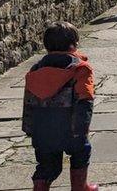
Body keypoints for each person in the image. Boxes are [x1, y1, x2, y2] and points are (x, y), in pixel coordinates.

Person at [23, 22, 97, 191]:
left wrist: (30, 129)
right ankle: (81, 187)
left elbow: (28, 103)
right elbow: (85, 100)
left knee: (48, 165)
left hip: (42, 129)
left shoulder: (35, 70)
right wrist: (82, 129)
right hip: (71, 129)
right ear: (74, 44)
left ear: (47, 46)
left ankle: (40, 187)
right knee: (81, 153)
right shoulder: (80, 69)